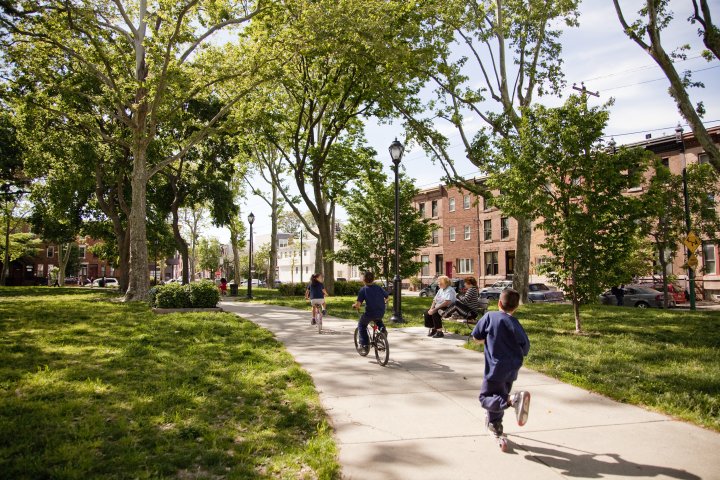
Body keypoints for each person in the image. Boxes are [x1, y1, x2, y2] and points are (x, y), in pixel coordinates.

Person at [471, 288, 531, 437]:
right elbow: (525, 347)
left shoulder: (490, 316)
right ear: (516, 307)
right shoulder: (515, 322)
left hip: (495, 367)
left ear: (498, 303)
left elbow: (476, 337)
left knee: (485, 397)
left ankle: (512, 400)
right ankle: (496, 424)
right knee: (498, 394)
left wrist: (486, 340)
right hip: (512, 367)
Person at [352, 271, 389, 353]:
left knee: (361, 325)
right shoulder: (379, 287)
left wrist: (354, 305)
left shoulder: (363, 290)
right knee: (378, 320)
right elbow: (387, 297)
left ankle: (365, 345)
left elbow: (358, 305)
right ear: (373, 279)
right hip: (381, 311)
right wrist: (384, 302)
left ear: (363, 280)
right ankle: (383, 331)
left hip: (370, 313)